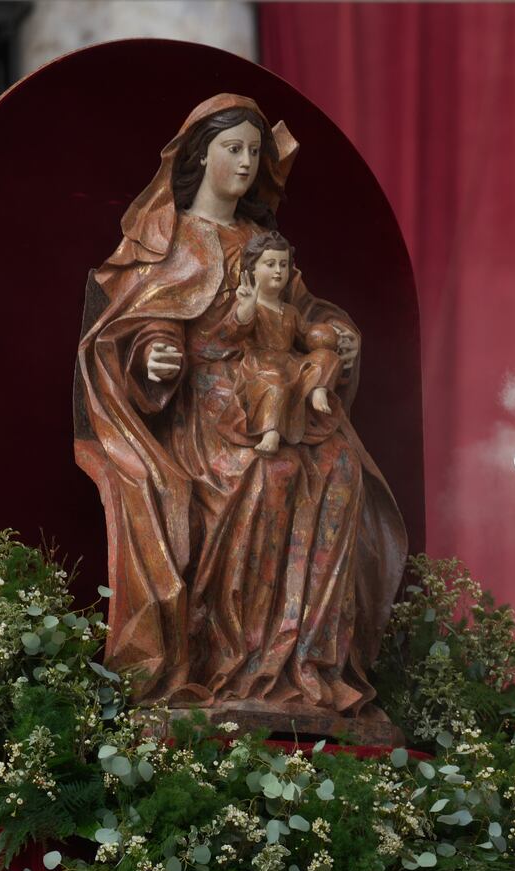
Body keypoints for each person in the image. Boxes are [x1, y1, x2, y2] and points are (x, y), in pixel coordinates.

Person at [74, 94, 405, 727]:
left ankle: (305, 665)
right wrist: (157, 356)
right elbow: (142, 322)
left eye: (255, 150)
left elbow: (304, 314)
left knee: (339, 467)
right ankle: (232, 658)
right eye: (234, 149)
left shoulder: (261, 240)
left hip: (271, 386)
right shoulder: (170, 238)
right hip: (201, 408)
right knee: (263, 474)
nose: (248, 162)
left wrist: (339, 332)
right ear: (201, 156)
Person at [219, 230, 344, 455]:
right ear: (252, 270)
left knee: (328, 356)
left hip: (289, 363)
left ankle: (319, 389)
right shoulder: (251, 306)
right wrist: (247, 307)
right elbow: (234, 331)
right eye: (270, 264)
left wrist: (325, 334)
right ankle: (271, 433)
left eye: (283, 265)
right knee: (275, 381)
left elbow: (307, 337)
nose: (278, 271)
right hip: (261, 366)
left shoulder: (290, 311)